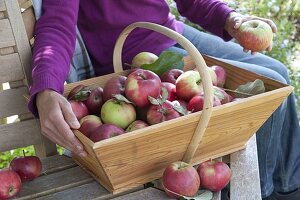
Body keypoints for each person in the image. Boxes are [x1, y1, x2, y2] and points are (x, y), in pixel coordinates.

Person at [28, 1, 300, 199]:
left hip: (170, 31)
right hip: (136, 56)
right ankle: (263, 192)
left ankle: (289, 188)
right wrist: (46, 89)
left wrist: (232, 21)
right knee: (267, 90)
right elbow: (56, 23)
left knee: (278, 75)